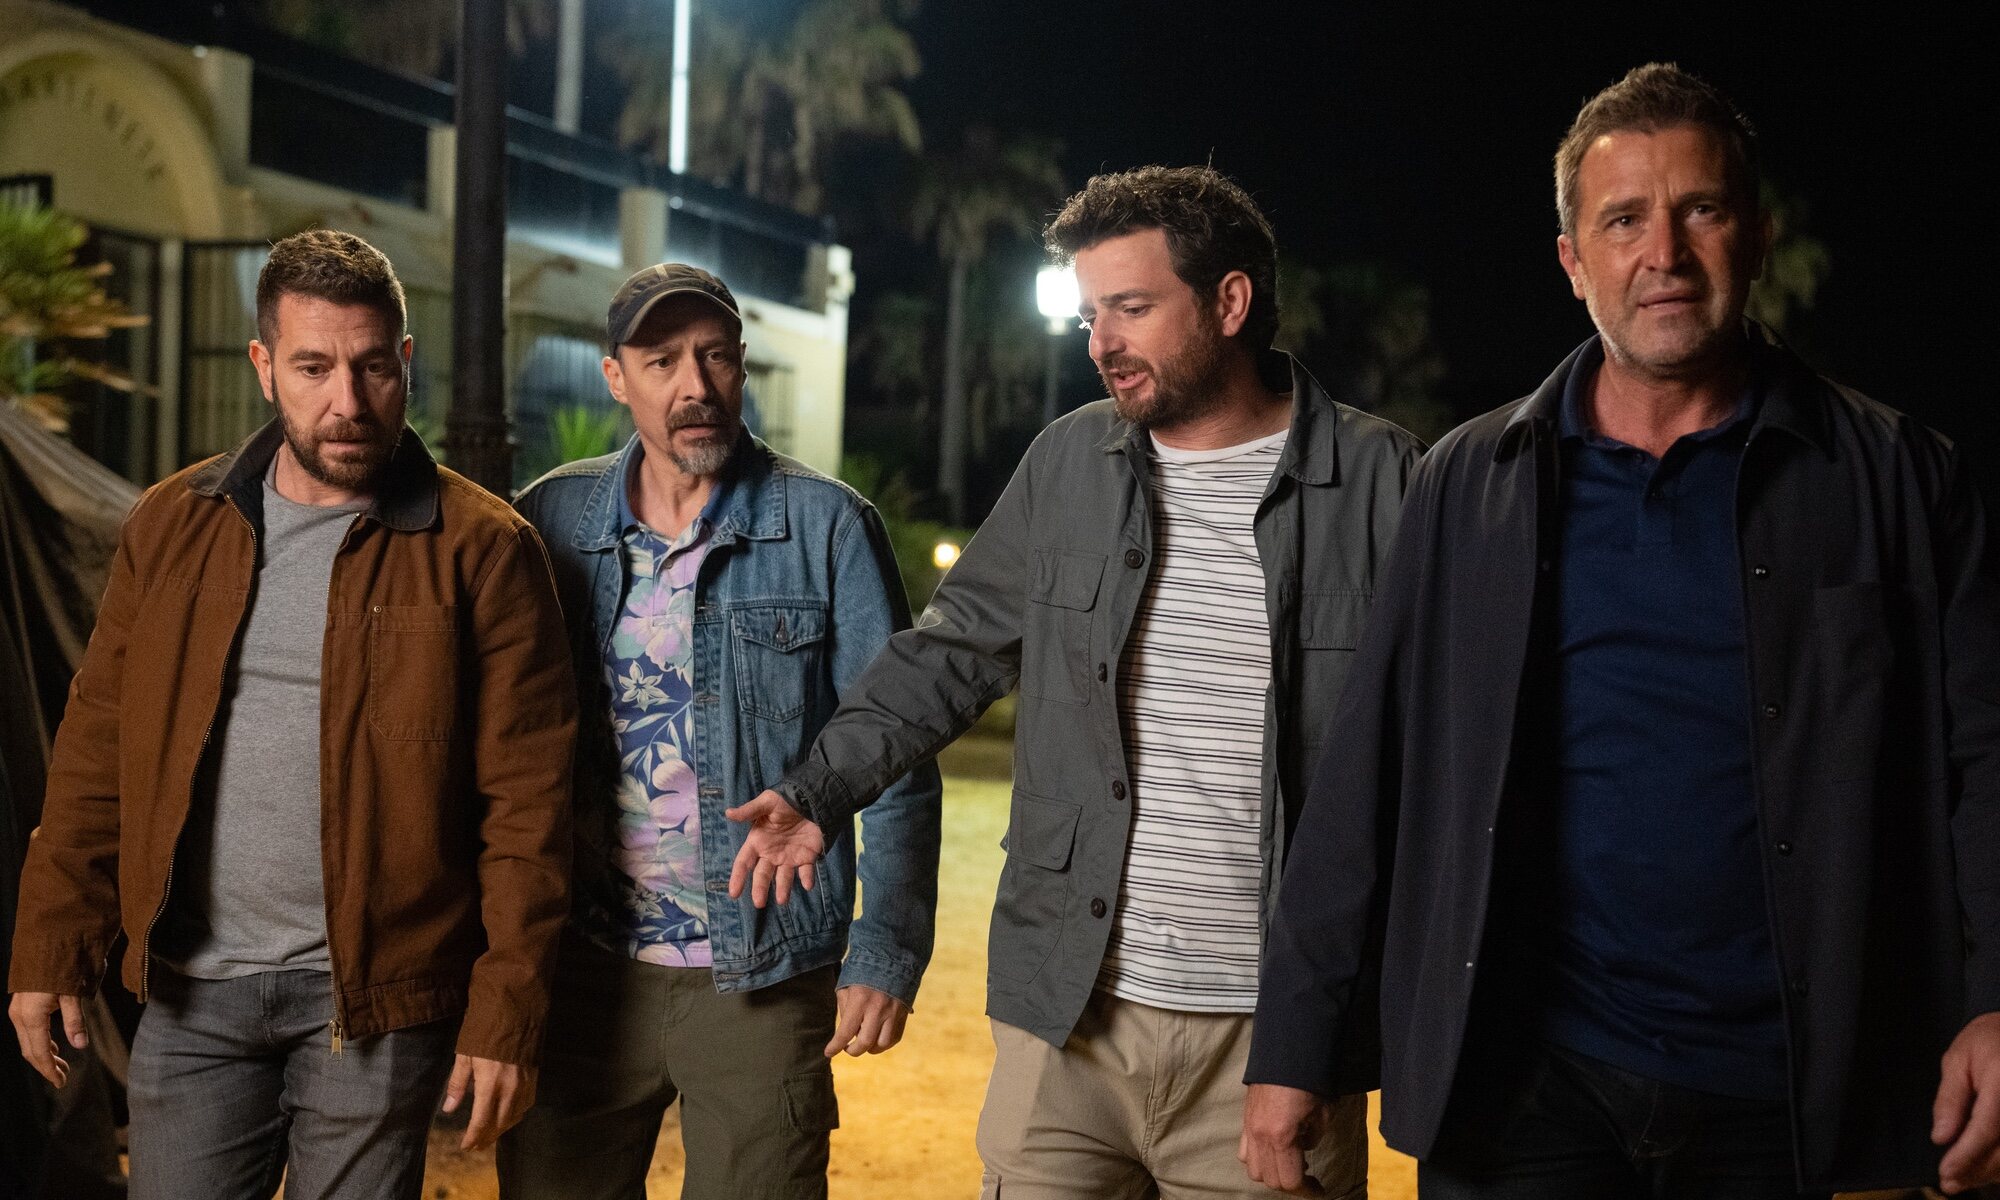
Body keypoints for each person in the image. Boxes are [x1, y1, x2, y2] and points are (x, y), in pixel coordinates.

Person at [1241, 62, 2000, 1199]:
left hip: (1789, 1096)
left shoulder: (1899, 479)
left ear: (1755, 235)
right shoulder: (1468, 482)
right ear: (1573, 261)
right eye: (1624, 220)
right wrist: (1295, 1044)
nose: (1664, 254)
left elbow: (1984, 761)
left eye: (1701, 210)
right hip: (1521, 1085)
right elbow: (1368, 773)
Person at [728, 165, 1423, 1198]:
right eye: (1091, 314)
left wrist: (1337, 1030)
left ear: (1230, 301)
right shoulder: (1067, 463)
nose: (1100, 343)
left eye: (1131, 308)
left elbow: (1435, 756)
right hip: (1065, 1018)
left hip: (1270, 1042)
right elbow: (952, 651)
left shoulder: (1385, 482)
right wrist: (820, 788)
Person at [6, 228, 577, 1199]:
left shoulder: (483, 550)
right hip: (193, 992)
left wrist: (505, 1012)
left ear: (405, 361)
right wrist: (52, 946)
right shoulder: (174, 523)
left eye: (371, 367)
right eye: (313, 367)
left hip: (374, 1004)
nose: (346, 401)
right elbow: (98, 749)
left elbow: (529, 809)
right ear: (264, 367)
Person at [497, 263, 941, 1200]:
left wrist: (886, 950)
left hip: (763, 973)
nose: (694, 385)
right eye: (661, 360)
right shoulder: (550, 518)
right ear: (616, 378)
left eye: (715, 356)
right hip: (583, 967)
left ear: (741, 367)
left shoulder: (826, 527)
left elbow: (897, 753)